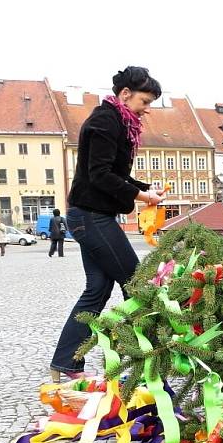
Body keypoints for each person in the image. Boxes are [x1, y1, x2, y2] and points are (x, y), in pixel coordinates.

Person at [49, 66, 165, 382]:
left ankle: (66, 362)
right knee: (137, 284)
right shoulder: (105, 122)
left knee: (97, 289)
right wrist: (143, 198)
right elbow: (99, 175)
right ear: (125, 95)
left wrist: (144, 189)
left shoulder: (117, 121)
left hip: (91, 215)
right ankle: (148, 364)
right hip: (91, 216)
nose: (148, 108)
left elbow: (114, 173)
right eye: (145, 100)